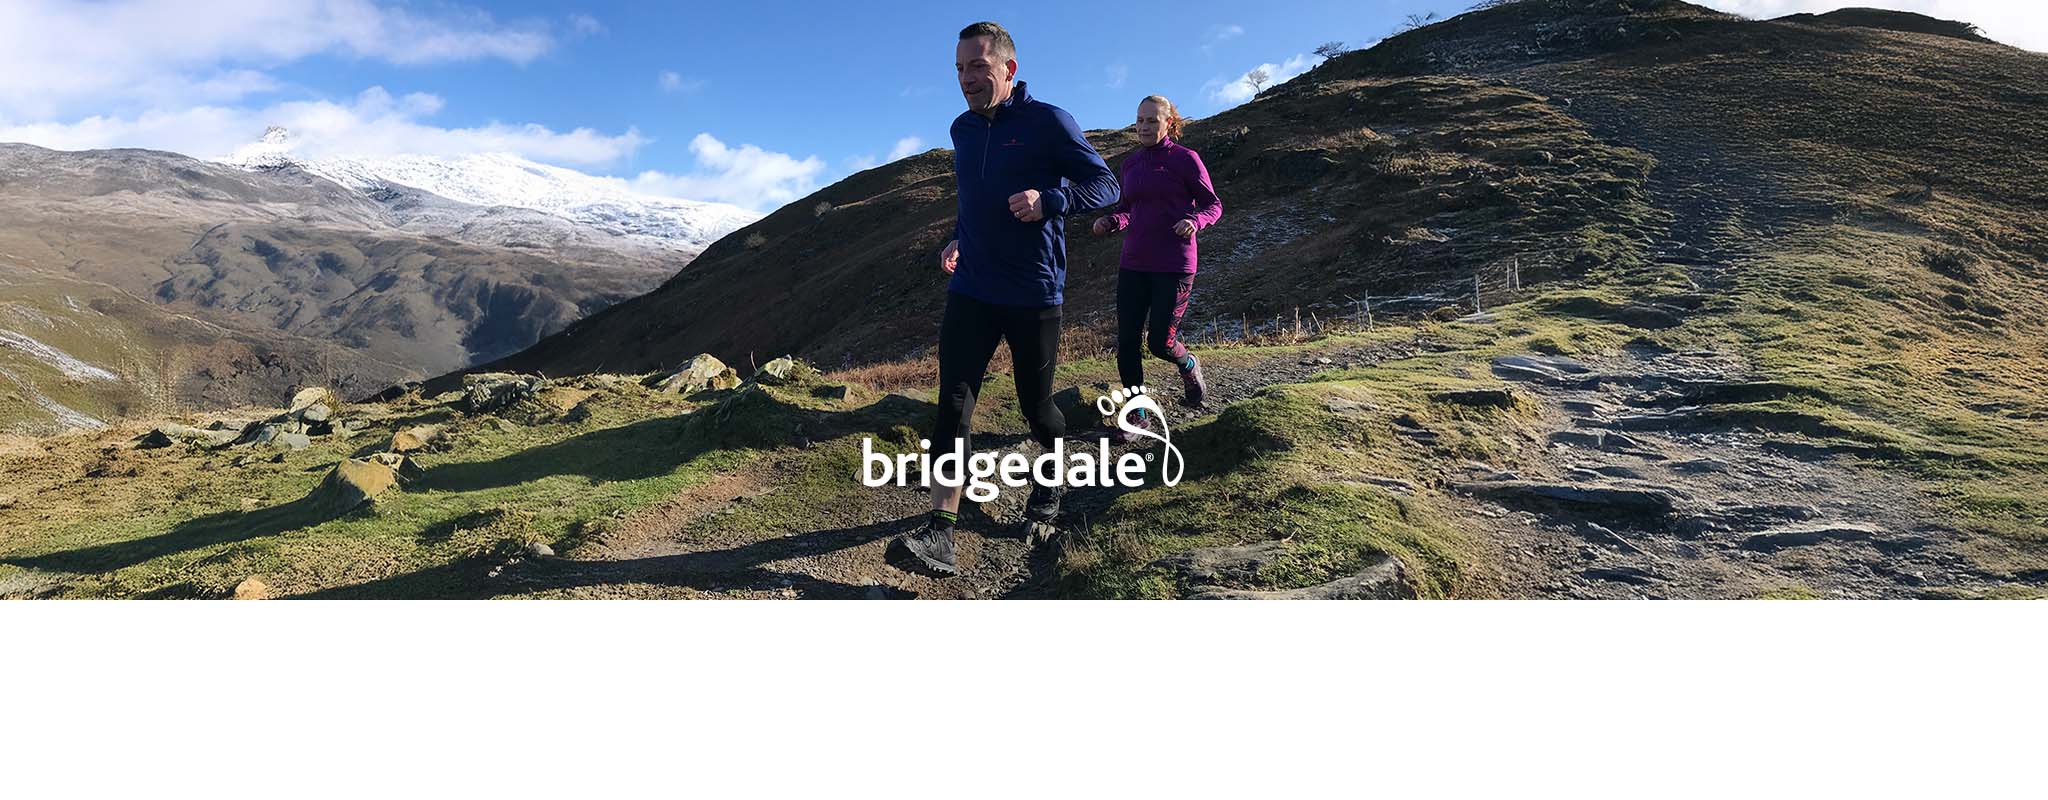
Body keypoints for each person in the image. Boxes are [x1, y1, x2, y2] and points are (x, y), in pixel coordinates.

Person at [894, 21, 1120, 578]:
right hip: (972, 286)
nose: (967, 80)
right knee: (952, 404)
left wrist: (1050, 199)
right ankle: (941, 531)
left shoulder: (1048, 122)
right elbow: (977, 195)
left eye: (978, 67)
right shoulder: (963, 129)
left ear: (1008, 69)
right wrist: (957, 235)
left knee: (1037, 408)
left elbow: (1107, 185)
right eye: (959, 69)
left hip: (1033, 291)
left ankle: (1050, 488)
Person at [1091, 95, 1221, 442]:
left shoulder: (1185, 160)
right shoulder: (1131, 164)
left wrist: (1196, 220)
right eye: (1139, 121)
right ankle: (1138, 414)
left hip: (1175, 264)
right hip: (1133, 263)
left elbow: (1213, 204)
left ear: (1169, 123)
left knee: (1160, 343)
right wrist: (1111, 221)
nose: (1144, 127)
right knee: (1127, 341)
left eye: (1152, 120)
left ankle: (1189, 365)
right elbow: (1128, 209)